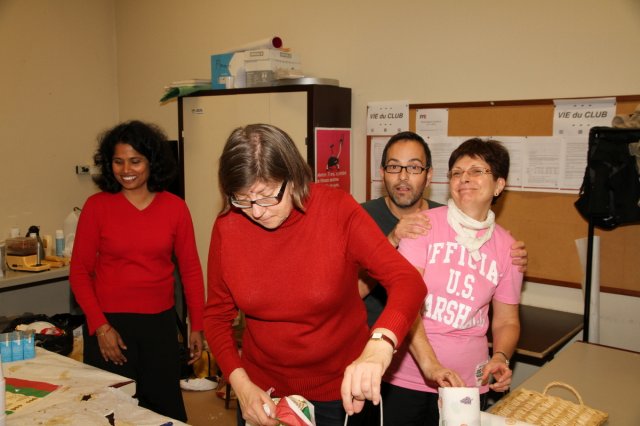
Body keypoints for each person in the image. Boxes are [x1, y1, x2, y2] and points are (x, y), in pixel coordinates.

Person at [203, 124, 426, 426]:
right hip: (262, 391)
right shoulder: (228, 225)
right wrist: (240, 385)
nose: (256, 212)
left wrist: (380, 343)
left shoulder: (336, 210)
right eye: (243, 199)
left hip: (338, 393)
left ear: (294, 178)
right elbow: (217, 316)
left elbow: (407, 281)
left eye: (267, 196)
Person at [69, 120, 205, 422]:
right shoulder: (97, 207)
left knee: (163, 413)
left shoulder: (175, 208)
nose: (126, 169)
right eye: (118, 161)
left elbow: (191, 270)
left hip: (159, 327)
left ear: (151, 162)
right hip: (109, 327)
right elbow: (79, 273)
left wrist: (197, 324)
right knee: (110, 413)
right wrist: (100, 327)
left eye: (135, 161)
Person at [383, 137, 523, 425]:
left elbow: (506, 320)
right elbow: (405, 303)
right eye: (457, 172)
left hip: (468, 382)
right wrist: (431, 365)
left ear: (498, 185)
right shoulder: (422, 226)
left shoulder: (508, 248)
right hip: (409, 377)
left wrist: (500, 356)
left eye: (477, 171)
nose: (464, 178)